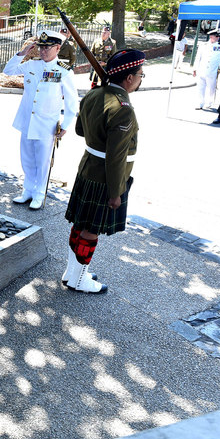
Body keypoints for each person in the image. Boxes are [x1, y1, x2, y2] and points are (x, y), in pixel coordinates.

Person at [63, 49, 145, 293]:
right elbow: (116, 157)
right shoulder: (123, 108)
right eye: (141, 74)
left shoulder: (95, 94)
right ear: (129, 78)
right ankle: (79, 280)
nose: (141, 78)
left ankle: (73, 272)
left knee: (81, 223)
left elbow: (80, 130)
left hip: (88, 168)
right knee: (91, 229)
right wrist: (115, 191)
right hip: (104, 178)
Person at [3, 30, 78, 210]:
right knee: (27, 159)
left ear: (58, 48)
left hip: (47, 125)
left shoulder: (63, 71)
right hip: (27, 121)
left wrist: (66, 125)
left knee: (43, 162)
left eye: (47, 47)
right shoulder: (31, 65)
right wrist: (23, 53)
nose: (43, 51)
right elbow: (8, 71)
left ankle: (39, 194)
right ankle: (27, 191)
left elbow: (72, 102)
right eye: (41, 47)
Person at [193, 29, 220, 110]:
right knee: (200, 88)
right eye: (216, 36)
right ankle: (200, 103)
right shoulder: (203, 45)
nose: (218, 37)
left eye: (218, 36)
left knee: (211, 88)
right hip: (201, 70)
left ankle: (210, 102)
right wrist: (195, 68)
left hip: (212, 71)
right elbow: (198, 58)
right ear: (211, 36)